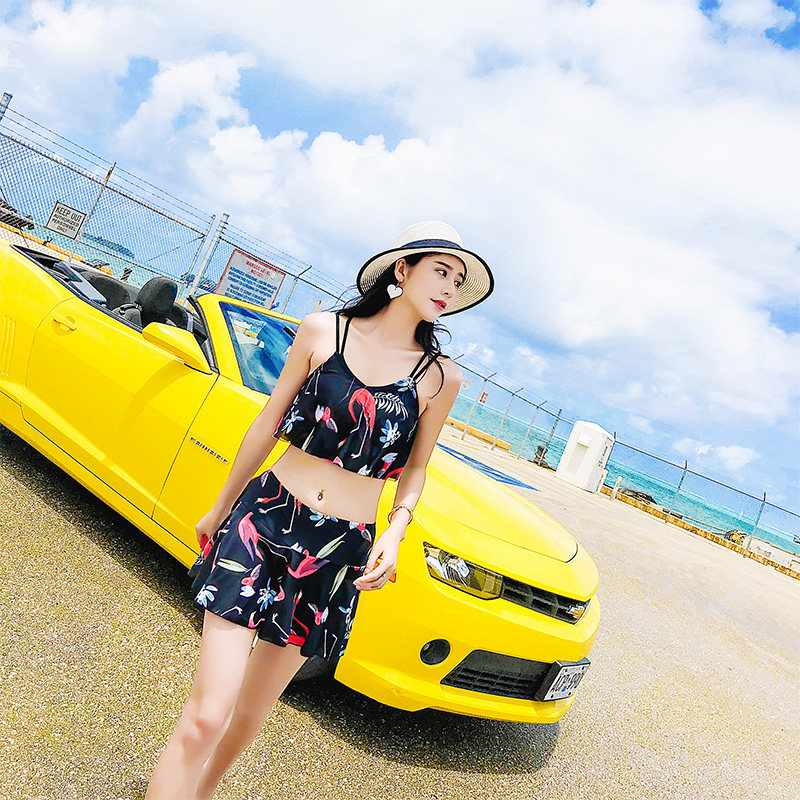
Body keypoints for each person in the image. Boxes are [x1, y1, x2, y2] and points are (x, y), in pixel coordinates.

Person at [144, 220, 494, 800]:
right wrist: (220, 506)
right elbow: (267, 423)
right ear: (402, 270)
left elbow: (415, 470)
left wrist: (395, 532)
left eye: (458, 282)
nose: (449, 289)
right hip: (263, 521)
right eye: (441, 272)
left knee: (248, 719)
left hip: (338, 551)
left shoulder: (439, 378)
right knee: (208, 714)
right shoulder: (322, 331)